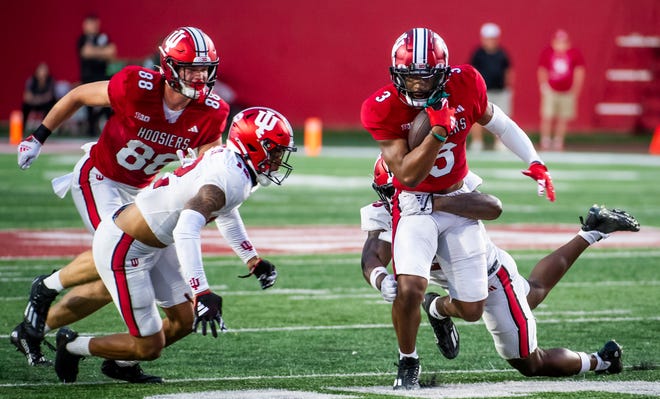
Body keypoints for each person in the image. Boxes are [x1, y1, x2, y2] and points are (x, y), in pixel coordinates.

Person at [12, 27, 230, 383]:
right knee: (116, 258)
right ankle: (46, 290)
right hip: (100, 178)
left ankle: (113, 358)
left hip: (142, 193)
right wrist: (38, 137)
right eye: (192, 68)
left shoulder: (211, 112)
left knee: (182, 317)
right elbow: (80, 95)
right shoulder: (136, 86)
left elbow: (207, 169)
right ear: (170, 67)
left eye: (205, 69)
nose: (200, 76)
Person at [360, 27, 556, 390]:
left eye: (426, 78)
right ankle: (408, 361)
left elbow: (499, 122)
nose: (417, 87)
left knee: (472, 309)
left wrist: (535, 160)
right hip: (414, 205)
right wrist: (437, 132)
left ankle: (439, 310)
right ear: (395, 74)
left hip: (459, 200)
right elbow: (407, 175)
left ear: (444, 72)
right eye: (410, 78)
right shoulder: (381, 106)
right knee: (410, 287)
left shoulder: (466, 82)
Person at [53, 106, 296, 383]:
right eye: (275, 151)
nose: (278, 160)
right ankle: (72, 346)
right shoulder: (230, 176)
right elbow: (186, 228)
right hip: (125, 247)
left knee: (185, 320)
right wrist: (201, 291)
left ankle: (121, 363)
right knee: (150, 346)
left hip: (153, 241)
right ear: (252, 144)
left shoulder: (233, 164)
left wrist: (251, 258)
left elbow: (224, 210)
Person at [361, 158, 640, 387]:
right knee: (533, 292)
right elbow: (372, 254)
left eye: (403, 188)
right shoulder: (390, 212)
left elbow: (492, 206)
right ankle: (591, 231)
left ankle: (600, 360)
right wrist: (380, 278)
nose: (399, 196)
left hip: (491, 278)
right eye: (393, 190)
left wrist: (433, 204)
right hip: (463, 279)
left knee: (531, 363)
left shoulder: (448, 191)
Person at [537, 29, 585, 151]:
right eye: (558, 42)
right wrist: (544, 86)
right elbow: (542, 69)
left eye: (563, 42)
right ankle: (545, 140)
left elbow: (579, 71)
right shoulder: (548, 53)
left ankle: (558, 141)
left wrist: (576, 89)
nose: (561, 45)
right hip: (551, 90)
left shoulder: (574, 54)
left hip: (567, 91)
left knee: (563, 118)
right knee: (547, 116)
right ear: (554, 42)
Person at [468, 23, 513, 152]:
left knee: (502, 117)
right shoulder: (478, 54)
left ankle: (500, 143)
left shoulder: (502, 54)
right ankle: (477, 142)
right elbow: (472, 72)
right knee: (477, 117)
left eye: (492, 38)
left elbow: (508, 71)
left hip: (500, 90)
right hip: (483, 91)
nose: (490, 41)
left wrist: (508, 86)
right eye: (488, 38)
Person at [78, 14, 117, 136]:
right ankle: (91, 129)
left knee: (107, 104)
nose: (93, 26)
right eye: (90, 23)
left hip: (103, 76)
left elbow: (112, 51)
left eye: (95, 23)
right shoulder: (82, 39)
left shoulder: (103, 37)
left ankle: (109, 130)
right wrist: (102, 52)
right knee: (89, 105)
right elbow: (85, 53)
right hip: (88, 77)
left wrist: (94, 51)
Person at [21, 62, 57, 133]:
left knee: (50, 106)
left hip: (45, 103)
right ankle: (22, 127)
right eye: (41, 70)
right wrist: (36, 99)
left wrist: (39, 99)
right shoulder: (31, 80)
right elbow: (27, 96)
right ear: (37, 72)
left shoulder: (50, 80)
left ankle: (45, 129)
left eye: (45, 70)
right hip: (34, 102)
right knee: (25, 106)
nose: (43, 73)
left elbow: (49, 96)